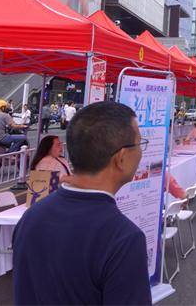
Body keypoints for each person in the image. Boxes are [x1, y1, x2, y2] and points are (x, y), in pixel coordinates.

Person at [13, 101, 151, 304]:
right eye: (139, 143)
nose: (141, 151)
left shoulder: (31, 216)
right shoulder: (123, 239)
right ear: (121, 158)